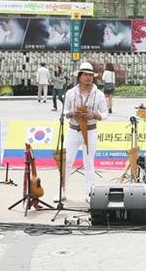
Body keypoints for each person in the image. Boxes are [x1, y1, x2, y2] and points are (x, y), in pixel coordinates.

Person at [57, 62, 108, 202]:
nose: (88, 77)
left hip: (90, 130)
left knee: (89, 162)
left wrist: (94, 115)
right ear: (79, 76)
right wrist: (70, 114)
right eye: (85, 74)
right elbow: (64, 111)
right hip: (73, 130)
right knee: (67, 161)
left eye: (90, 75)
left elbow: (105, 114)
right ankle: (62, 191)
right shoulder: (70, 93)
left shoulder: (99, 94)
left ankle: (90, 193)